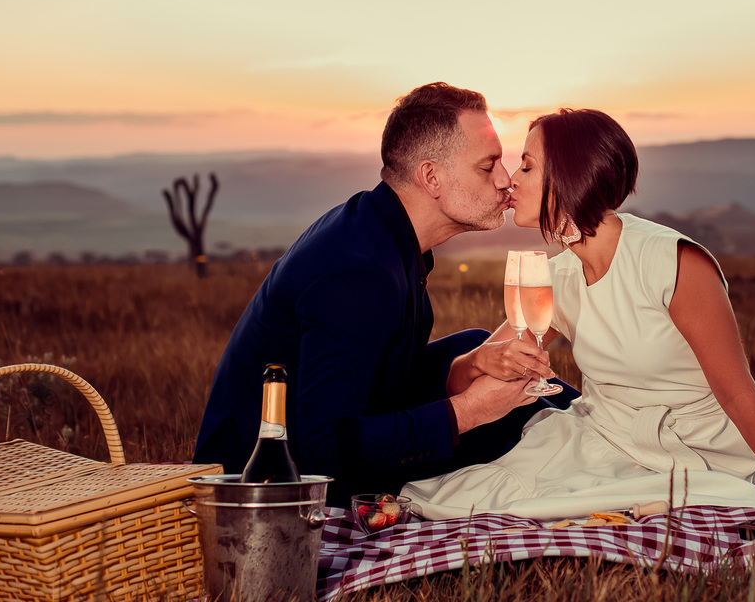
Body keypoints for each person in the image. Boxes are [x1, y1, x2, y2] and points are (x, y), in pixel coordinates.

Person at [403, 108, 755, 519]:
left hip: (694, 454)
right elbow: (466, 376)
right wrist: (478, 360)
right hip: (599, 437)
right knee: (459, 500)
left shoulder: (672, 262)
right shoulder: (555, 278)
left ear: (568, 177)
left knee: (554, 511)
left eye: (527, 167)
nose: (512, 179)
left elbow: (738, 393)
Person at [193, 83, 568, 507]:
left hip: (315, 442)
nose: (504, 180)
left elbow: (377, 378)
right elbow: (324, 451)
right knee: (510, 416)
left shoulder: (381, 228)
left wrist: (464, 368)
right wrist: (469, 411)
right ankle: (598, 441)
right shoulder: (357, 272)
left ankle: (592, 428)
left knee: (474, 348)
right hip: (262, 484)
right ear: (431, 177)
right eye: (487, 166)